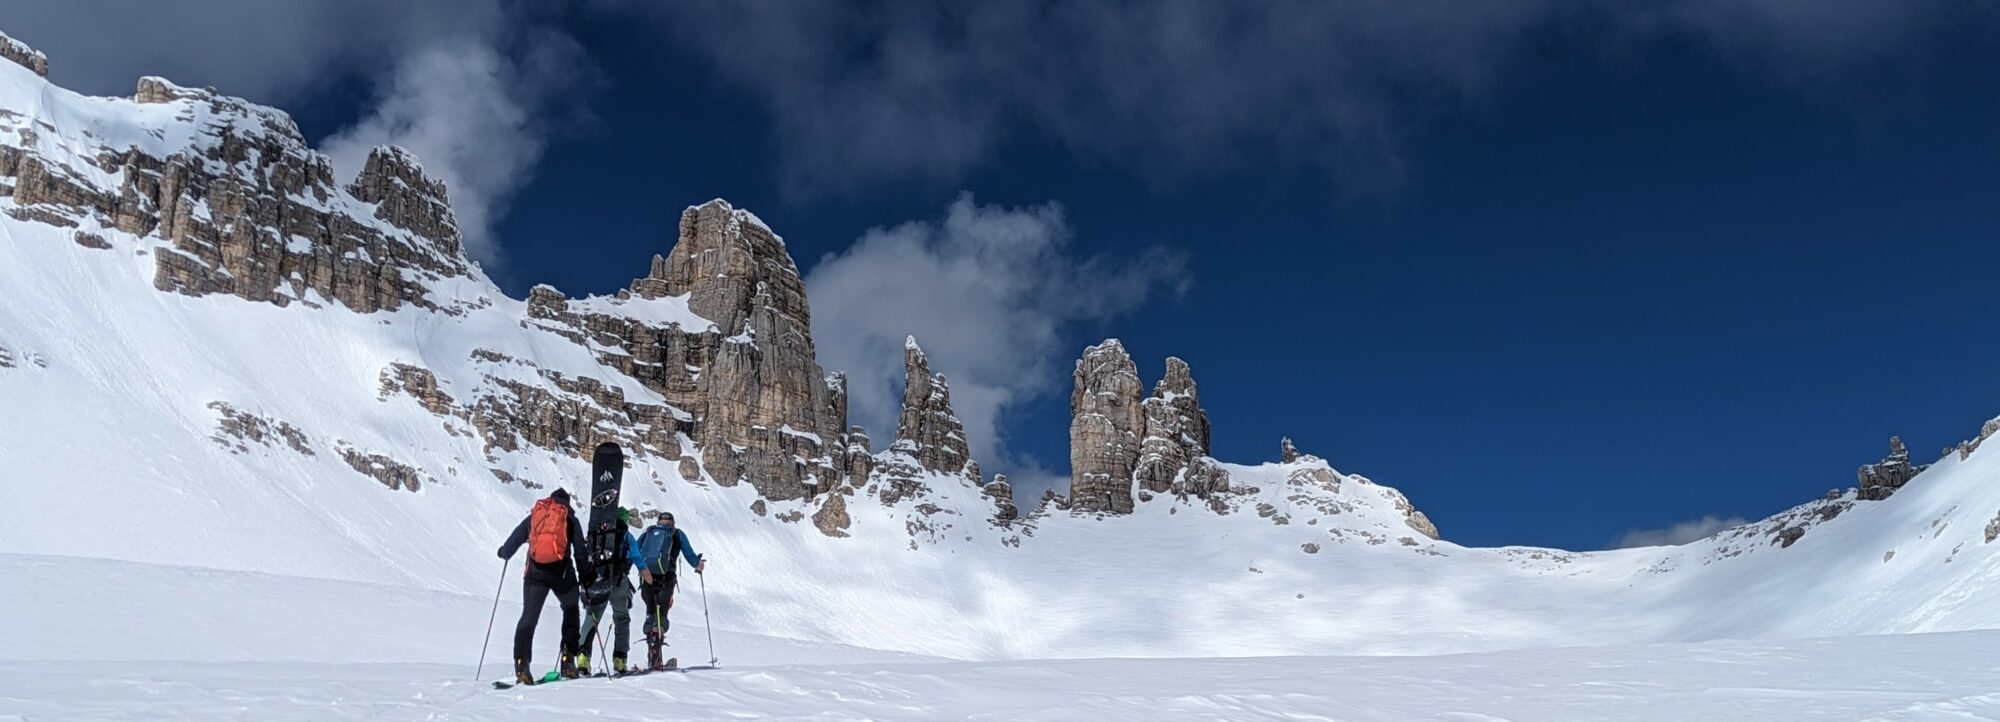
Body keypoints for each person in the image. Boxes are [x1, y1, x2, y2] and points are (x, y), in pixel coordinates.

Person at [496, 488, 590, 685]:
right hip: (562, 574)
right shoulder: (569, 518)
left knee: (529, 617)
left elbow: (515, 538)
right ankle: (567, 659)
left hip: (534, 574)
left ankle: (521, 663)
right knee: (571, 610)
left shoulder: (537, 515)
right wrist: (586, 577)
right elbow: (580, 551)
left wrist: (504, 552)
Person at [634, 511, 705, 671]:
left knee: (651, 613)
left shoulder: (648, 533)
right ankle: (656, 655)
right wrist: (698, 565)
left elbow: (635, 552)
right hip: (667, 578)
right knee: (662, 614)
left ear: (659, 522)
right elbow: (689, 555)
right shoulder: (677, 534)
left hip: (647, 577)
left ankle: (652, 652)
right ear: (673, 522)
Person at [577, 507, 641, 674]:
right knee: (621, 618)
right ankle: (620, 659)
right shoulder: (626, 535)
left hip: (597, 579)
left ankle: (582, 655)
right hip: (619, 580)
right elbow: (636, 556)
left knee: (591, 617)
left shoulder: (598, 532)